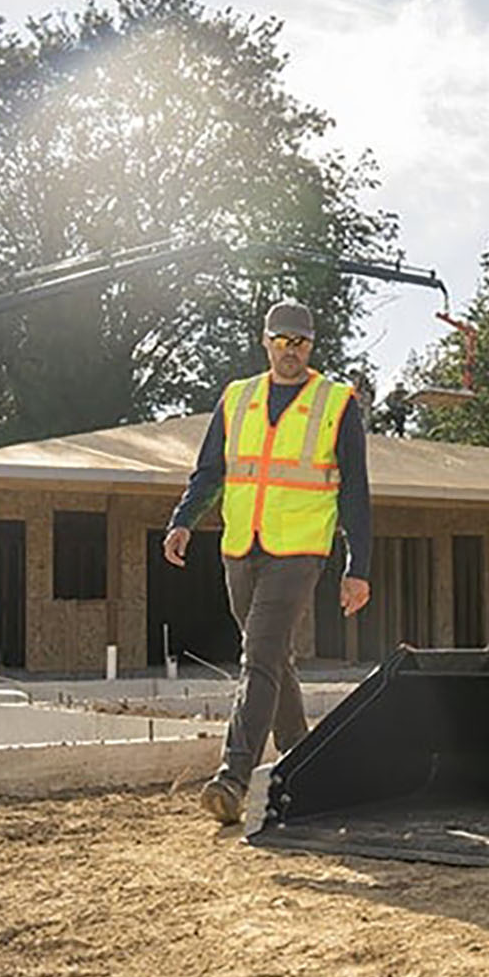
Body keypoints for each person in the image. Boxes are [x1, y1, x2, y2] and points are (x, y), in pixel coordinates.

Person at [163, 299, 372, 824]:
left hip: (299, 552)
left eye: (299, 342)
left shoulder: (337, 402)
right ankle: (305, 763)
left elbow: (356, 494)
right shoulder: (238, 398)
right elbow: (209, 469)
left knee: (257, 656)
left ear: (311, 345)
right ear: (265, 341)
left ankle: (232, 780)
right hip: (240, 547)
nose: (290, 351)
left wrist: (358, 565)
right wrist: (184, 519)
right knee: (273, 658)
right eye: (281, 340)